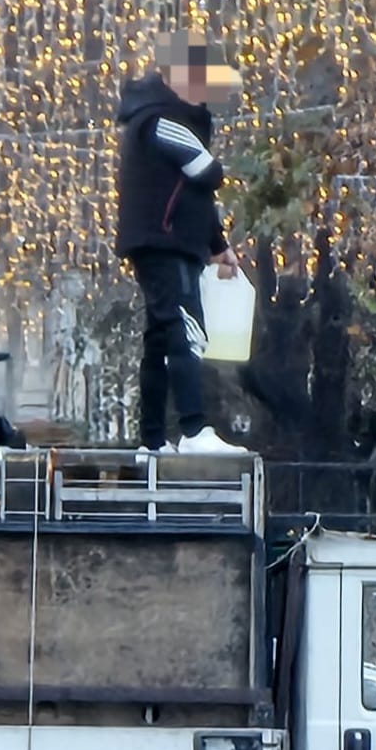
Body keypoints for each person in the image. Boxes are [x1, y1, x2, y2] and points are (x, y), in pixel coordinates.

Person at [115, 29, 248, 456]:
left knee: (160, 339)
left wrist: (217, 244)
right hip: (164, 240)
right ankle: (194, 430)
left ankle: (152, 439)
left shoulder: (160, 117)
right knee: (186, 331)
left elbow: (198, 193)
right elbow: (208, 171)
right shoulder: (159, 120)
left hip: (170, 240)